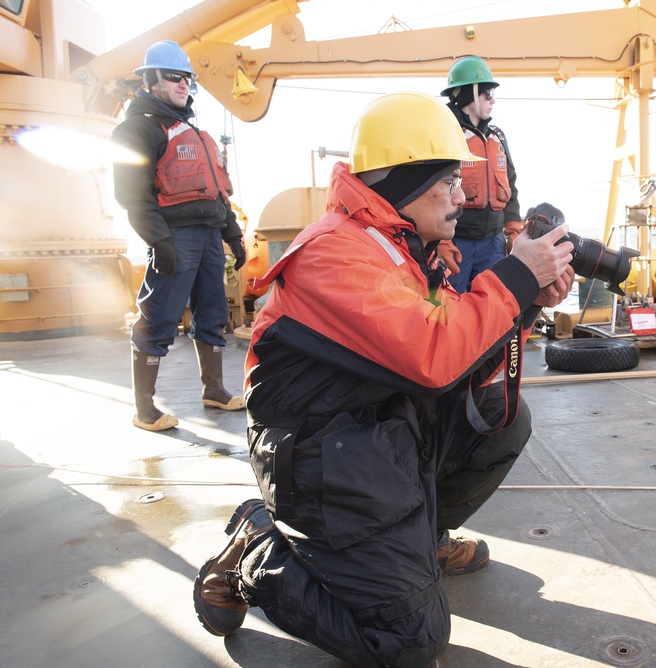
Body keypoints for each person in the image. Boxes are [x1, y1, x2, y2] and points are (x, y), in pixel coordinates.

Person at [192, 91, 575, 667]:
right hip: (321, 457)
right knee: (406, 643)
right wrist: (515, 277)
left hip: (379, 432)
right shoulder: (334, 254)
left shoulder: (407, 249)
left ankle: (420, 543)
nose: (462, 195)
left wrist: (524, 305)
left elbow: (458, 361)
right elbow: (432, 354)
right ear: (402, 184)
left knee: (501, 418)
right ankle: (258, 547)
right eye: (447, 181)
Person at [112, 40, 247, 432]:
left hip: (207, 236)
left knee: (213, 314)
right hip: (175, 235)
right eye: (174, 77)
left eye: (187, 78)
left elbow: (216, 192)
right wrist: (160, 241)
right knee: (159, 318)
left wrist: (233, 236)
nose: (183, 85)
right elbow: (132, 194)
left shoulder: (193, 131)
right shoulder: (138, 129)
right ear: (152, 80)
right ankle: (144, 408)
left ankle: (215, 390)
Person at [436, 56, 523, 293]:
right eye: (488, 93)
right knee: (450, 306)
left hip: (493, 242)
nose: (493, 100)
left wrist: (514, 230)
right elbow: (430, 190)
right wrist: (439, 240)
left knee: (492, 302)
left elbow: (510, 184)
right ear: (469, 95)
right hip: (456, 241)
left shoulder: (498, 137)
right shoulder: (444, 133)